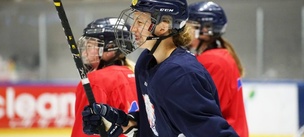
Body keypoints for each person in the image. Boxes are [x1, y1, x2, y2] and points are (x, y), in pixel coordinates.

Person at [81, 0, 239, 136]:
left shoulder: (181, 75)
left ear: (163, 27)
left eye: (140, 22)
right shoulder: (146, 62)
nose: (132, 28)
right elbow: (157, 125)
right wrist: (122, 121)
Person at [186, 1, 249, 137]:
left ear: (204, 30)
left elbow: (204, 109)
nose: (184, 31)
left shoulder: (213, 61)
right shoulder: (221, 55)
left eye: (189, 26)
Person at [71, 17, 139, 137]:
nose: (84, 52)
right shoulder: (140, 75)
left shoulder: (94, 81)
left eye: (90, 45)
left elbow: (84, 133)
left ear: (111, 47)